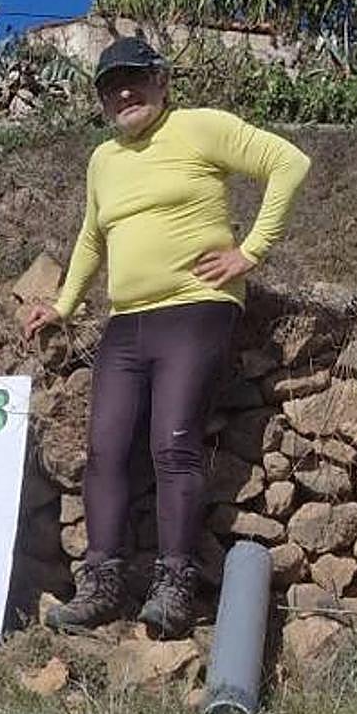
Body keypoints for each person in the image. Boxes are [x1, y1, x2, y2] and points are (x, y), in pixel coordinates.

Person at [22, 36, 311, 639]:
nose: (124, 92)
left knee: (173, 445)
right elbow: (91, 238)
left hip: (195, 311)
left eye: (134, 78)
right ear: (101, 102)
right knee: (103, 451)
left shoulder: (200, 127)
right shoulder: (103, 160)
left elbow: (289, 163)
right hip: (126, 323)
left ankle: (175, 585)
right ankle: (101, 583)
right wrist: (65, 305)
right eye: (110, 86)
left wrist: (250, 252)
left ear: (161, 81)